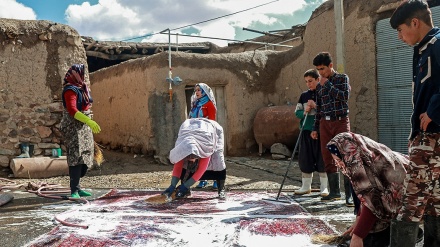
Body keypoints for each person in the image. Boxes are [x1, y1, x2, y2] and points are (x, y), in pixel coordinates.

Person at [389, 1, 440, 246]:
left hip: (433, 138)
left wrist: (433, 111)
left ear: (415, 23)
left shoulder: (437, 44)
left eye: (400, 30)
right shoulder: (422, 50)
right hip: (426, 137)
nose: (399, 37)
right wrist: (414, 132)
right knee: (435, 203)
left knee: (410, 203)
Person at [327, 132, 410, 247]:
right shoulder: (359, 158)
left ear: (347, 154)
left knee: (374, 228)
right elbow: (364, 196)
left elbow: (372, 201)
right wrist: (358, 220)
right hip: (402, 195)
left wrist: (358, 236)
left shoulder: (365, 163)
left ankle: (409, 232)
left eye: (338, 160)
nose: (337, 165)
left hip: (417, 194)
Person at [310, 52, 354, 206]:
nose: (320, 73)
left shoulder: (342, 78)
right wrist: (315, 128)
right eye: (318, 70)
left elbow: (344, 97)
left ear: (330, 66)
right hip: (325, 124)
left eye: (322, 69)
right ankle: (335, 192)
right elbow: (319, 108)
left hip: (340, 121)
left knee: (345, 156)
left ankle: (349, 196)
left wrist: (327, 84)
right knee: (327, 157)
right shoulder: (320, 85)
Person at [60, 64, 101, 199]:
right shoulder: (70, 90)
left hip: (83, 127)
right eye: (81, 73)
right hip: (73, 127)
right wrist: (88, 120)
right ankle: (74, 190)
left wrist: (88, 121)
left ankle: (78, 187)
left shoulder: (81, 87)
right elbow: (72, 110)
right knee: (76, 157)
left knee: (86, 155)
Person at [162, 118, 227, 199]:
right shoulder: (182, 148)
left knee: (217, 160)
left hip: (211, 131)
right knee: (185, 165)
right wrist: (172, 185)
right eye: (189, 158)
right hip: (189, 129)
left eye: (193, 158)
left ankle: (221, 189)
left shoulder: (206, 147)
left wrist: (185, 186)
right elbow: (178, 166)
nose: (191, 160)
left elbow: (201, 170)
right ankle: (186, 190)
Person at [294, 69, 329, 197]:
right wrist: (304, 111)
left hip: (321, 131)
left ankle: (324, 187)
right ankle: (305, 186)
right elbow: (297, 113)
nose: (308, 84)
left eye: (310, 81)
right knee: (305, 158)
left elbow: (327, 111)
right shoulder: (304, 96)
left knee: (322, 159)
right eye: (306, 82)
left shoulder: (324, 93)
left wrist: (315, 106)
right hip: (306, 131)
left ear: (317, 79)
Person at [189, 83, 219, 190]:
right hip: (196, 133)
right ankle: (202, 180)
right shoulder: (195, 104)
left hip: (207, 133)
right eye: (196, 90)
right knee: (199, 157)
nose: (196, 92)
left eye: (199, 90)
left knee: (211, 157)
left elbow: (212, 121)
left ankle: (216, 180)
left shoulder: (209, 104)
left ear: (204, 92)